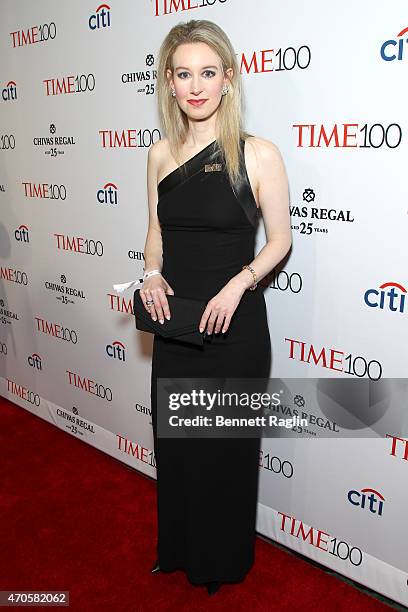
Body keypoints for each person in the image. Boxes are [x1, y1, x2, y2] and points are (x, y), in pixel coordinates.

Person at [141, 19, 291, 596]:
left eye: (208, 72)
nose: (196, 86)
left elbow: (280, 239)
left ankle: (220, 564)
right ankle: (176, 550)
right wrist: (151, 273)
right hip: (178, 328)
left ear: (228, 80)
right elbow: (154, 235)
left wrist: (241, 282)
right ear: (169, 83)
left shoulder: (258, 154)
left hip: (236, 328)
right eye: (184, 74)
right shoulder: (158, 154)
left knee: (224, 453)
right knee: (177, 444)